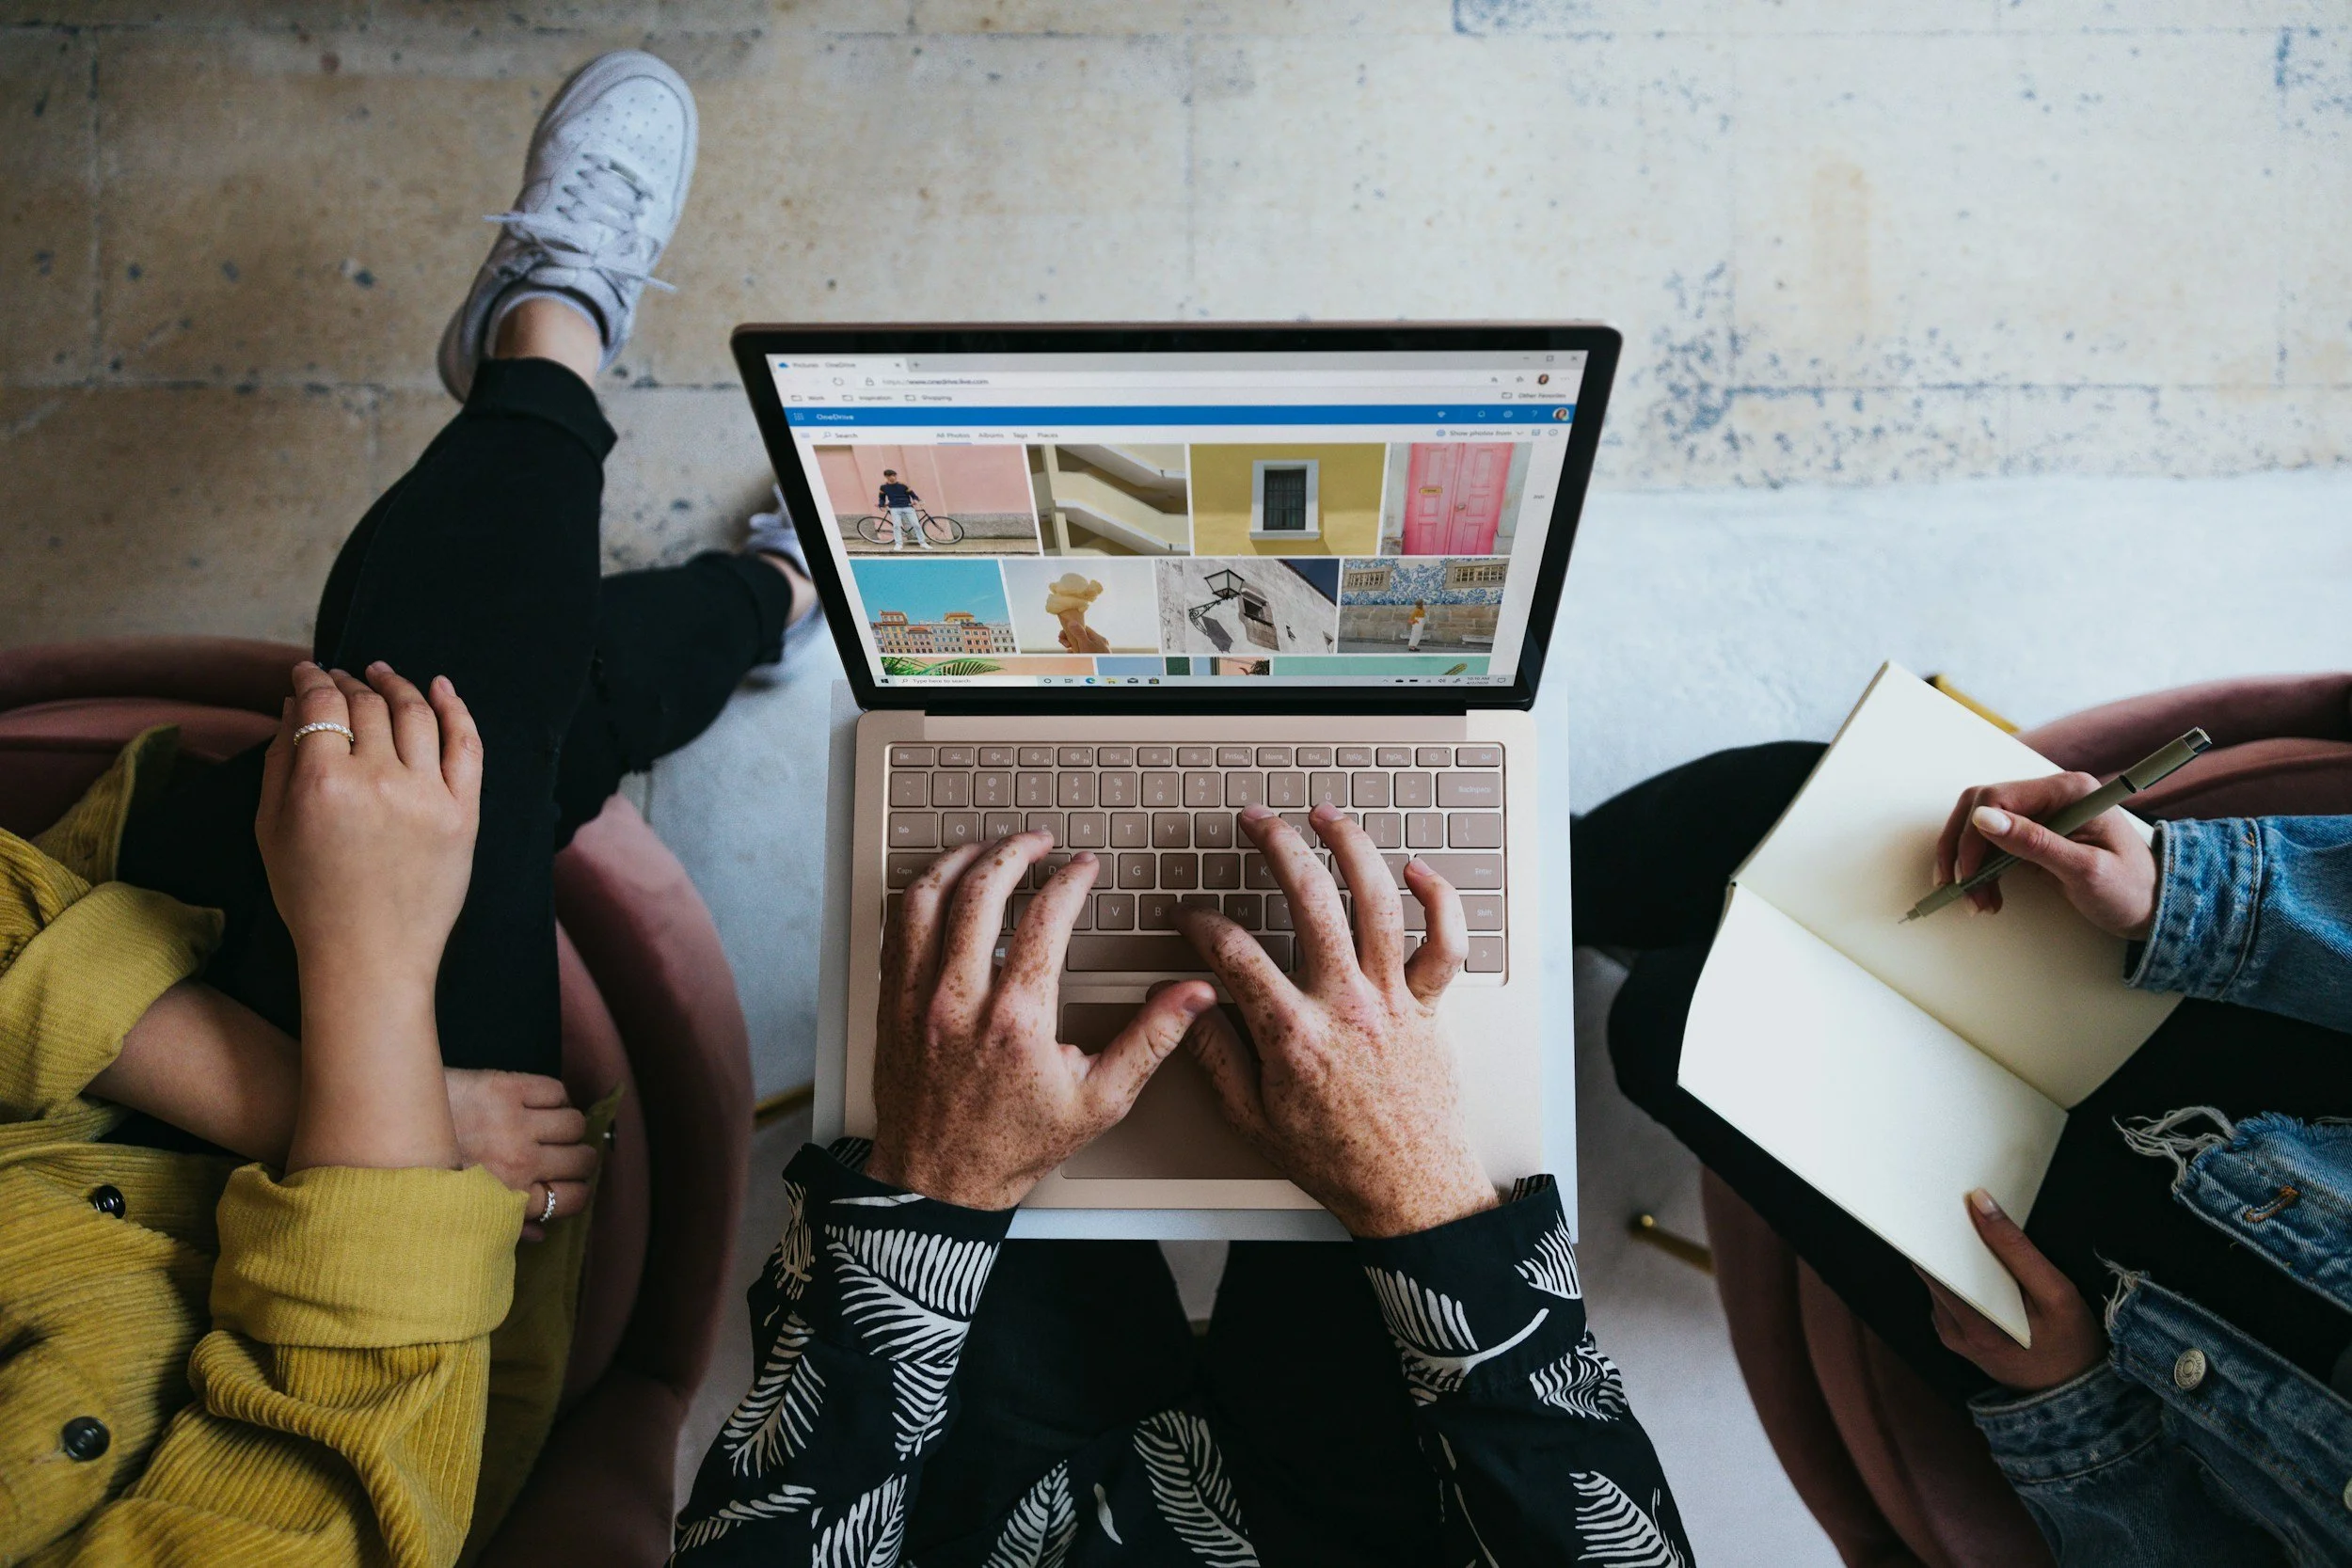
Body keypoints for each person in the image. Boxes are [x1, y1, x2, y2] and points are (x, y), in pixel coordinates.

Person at [4, 50, 818, 1561]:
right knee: (473, 726)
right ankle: (569, 359)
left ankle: (666, 474)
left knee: (454, 722)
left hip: (116, 1033)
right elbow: (343, 1455)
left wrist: (276, 1082)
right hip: (391, 1317)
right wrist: (368, 994)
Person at [675, 806, 1692, 1565]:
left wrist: (940, 1186)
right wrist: (1415, 1187)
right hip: (1393, 1525)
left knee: (948, 1050)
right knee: (1375, 1034)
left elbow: (766, 1528)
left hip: (974, 1526)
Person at [1581, 743, 2352, 1564]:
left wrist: (2069, 1402)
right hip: (2250, 1014)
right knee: (1795, 830)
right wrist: (2191, 891)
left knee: (1666, 1030)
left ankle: (1568, 917)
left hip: (2088, 1337)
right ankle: (1528, 884)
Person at [880, 468, 930, 551]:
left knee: (916, 524)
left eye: (894, 475)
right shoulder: (883, 487)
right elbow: (881, 498)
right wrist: (881, 505)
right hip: (894, 508)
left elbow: (913, 495)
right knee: (896, 526)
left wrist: (915, 500)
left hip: (908, 506)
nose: (892, 477)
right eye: (890, 476)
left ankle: (922, 543)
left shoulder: (903, 485)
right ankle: (898, 544)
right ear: (886, 477)